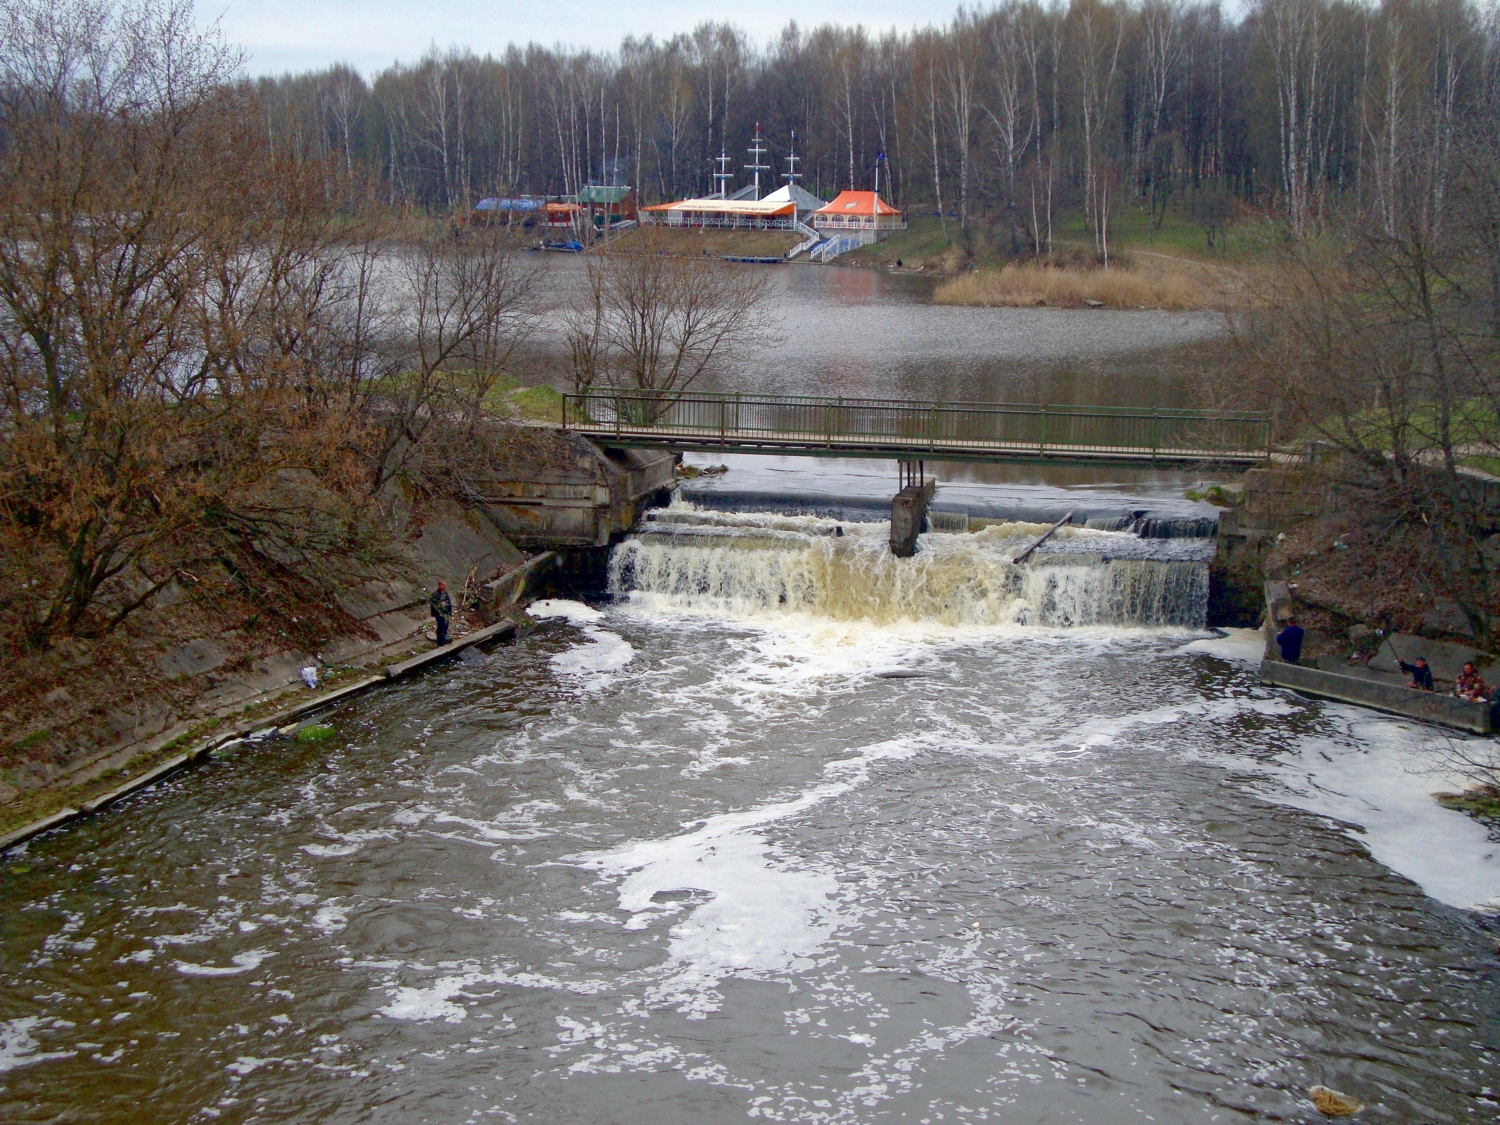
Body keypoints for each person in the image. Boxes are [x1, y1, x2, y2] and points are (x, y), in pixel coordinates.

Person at [430, 580, 453, 645]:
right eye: (444, 586)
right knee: (441, 625)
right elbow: (433, 605)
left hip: (446, 613)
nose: (445, 587)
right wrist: (440, 605)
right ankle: (440, 640)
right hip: (439, 613)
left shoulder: (445, 594)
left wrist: (450, 612)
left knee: (446, 625)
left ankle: (444, 637)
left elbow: (449, 603)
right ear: (440, 585)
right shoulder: (434, 594)